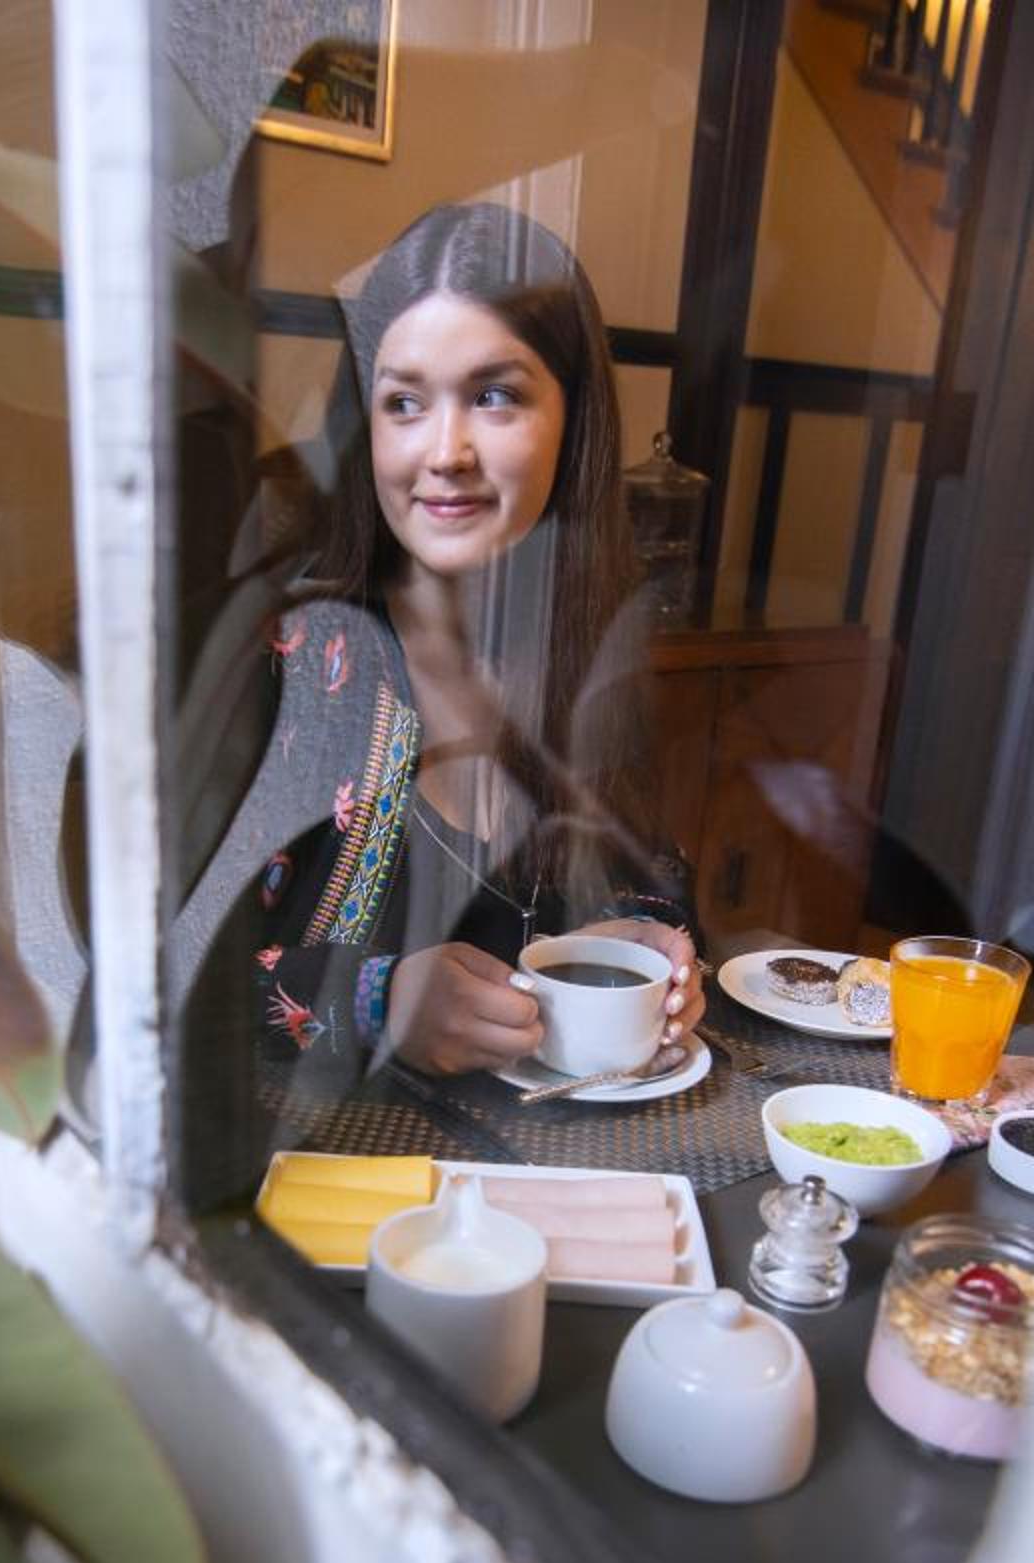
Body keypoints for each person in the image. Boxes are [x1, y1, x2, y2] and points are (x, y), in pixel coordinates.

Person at [248, 203, 704, 1078]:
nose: (446, 451)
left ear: (575, 422)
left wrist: (650, 942)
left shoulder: (582, 647)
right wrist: (379, 1002)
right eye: (404, 402)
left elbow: (654, 873)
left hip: (552, 1152)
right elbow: (160, 982)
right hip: (327, 1157)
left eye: (495, 396)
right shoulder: (286, 658)